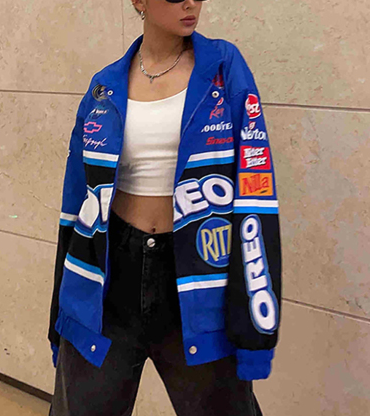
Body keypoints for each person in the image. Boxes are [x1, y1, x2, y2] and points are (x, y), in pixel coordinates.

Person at [48, 0, 282, 415]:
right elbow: (75, 202)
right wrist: (58, 312)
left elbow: (255, 187)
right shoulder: (104, 86)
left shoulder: (224, 68)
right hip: (110, 276)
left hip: (195, 274)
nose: (191, 2)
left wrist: (254, 320)